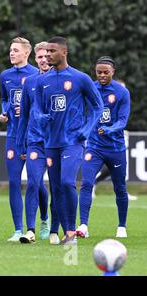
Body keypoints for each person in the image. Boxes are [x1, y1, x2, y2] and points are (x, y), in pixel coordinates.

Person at [34, 36, 103, 245]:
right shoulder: (42, 80)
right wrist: (40, 117)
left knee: (66, 182)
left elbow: (97, 106)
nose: (47, 55)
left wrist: (87, 129)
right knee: (55, 188)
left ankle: (71, 232)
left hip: (73, 140)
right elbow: (36, 109)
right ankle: (66, 233)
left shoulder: (80, 78)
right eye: (46, 52)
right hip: (51, 142)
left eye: (52, 51)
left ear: (64, 52)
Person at [77, 56, 130, 238]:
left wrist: (109, 129)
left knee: (120, 188)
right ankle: (83, 225)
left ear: (113, 72)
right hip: (94, 147)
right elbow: (80, 111)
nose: (102, 75)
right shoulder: (89, 89)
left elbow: (123, 120)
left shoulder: (121, 93)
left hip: (116, 148)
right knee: (86, 183)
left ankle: (121, 226)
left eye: (105, 72)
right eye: (99, 72)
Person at [0, 37, 38, 242]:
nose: (11, 53)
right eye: (10, 50)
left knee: (35, 183)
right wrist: (4, 111)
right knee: (14, 181)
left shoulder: (36, 74)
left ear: (26, 53)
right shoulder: (5, 75)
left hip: (33, 136)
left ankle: (45, 221)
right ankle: (18, 229)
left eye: (15, 50)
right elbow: (5, 98)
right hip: (13, 135)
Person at [16, 41, 55, 244]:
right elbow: (23, 115)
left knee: (58, 185)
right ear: (35, 59)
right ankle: (30, 230)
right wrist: (20, 142)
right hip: (34, 140)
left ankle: (50, 223)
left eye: (46, 56)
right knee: (33, 182)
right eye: (39, 57)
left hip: (57, 142)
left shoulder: (62, 80)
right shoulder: (29, 82)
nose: (43, 60)